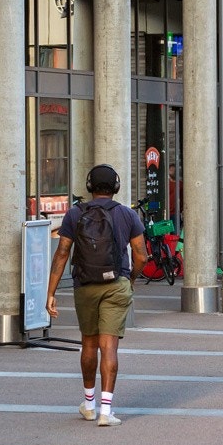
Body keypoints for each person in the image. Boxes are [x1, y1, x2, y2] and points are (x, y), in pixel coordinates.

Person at [46, 163, 147, 427]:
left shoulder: (74, 214)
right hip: (116, 284)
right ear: (116, 187)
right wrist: (131, 278)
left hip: (85, 285)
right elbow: (141, 255)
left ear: (90, 187)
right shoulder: (128, 215)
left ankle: (88, 404)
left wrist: (51, 292)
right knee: (109, 346)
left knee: (88, 344)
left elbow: (62, 253)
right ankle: (106, 410)